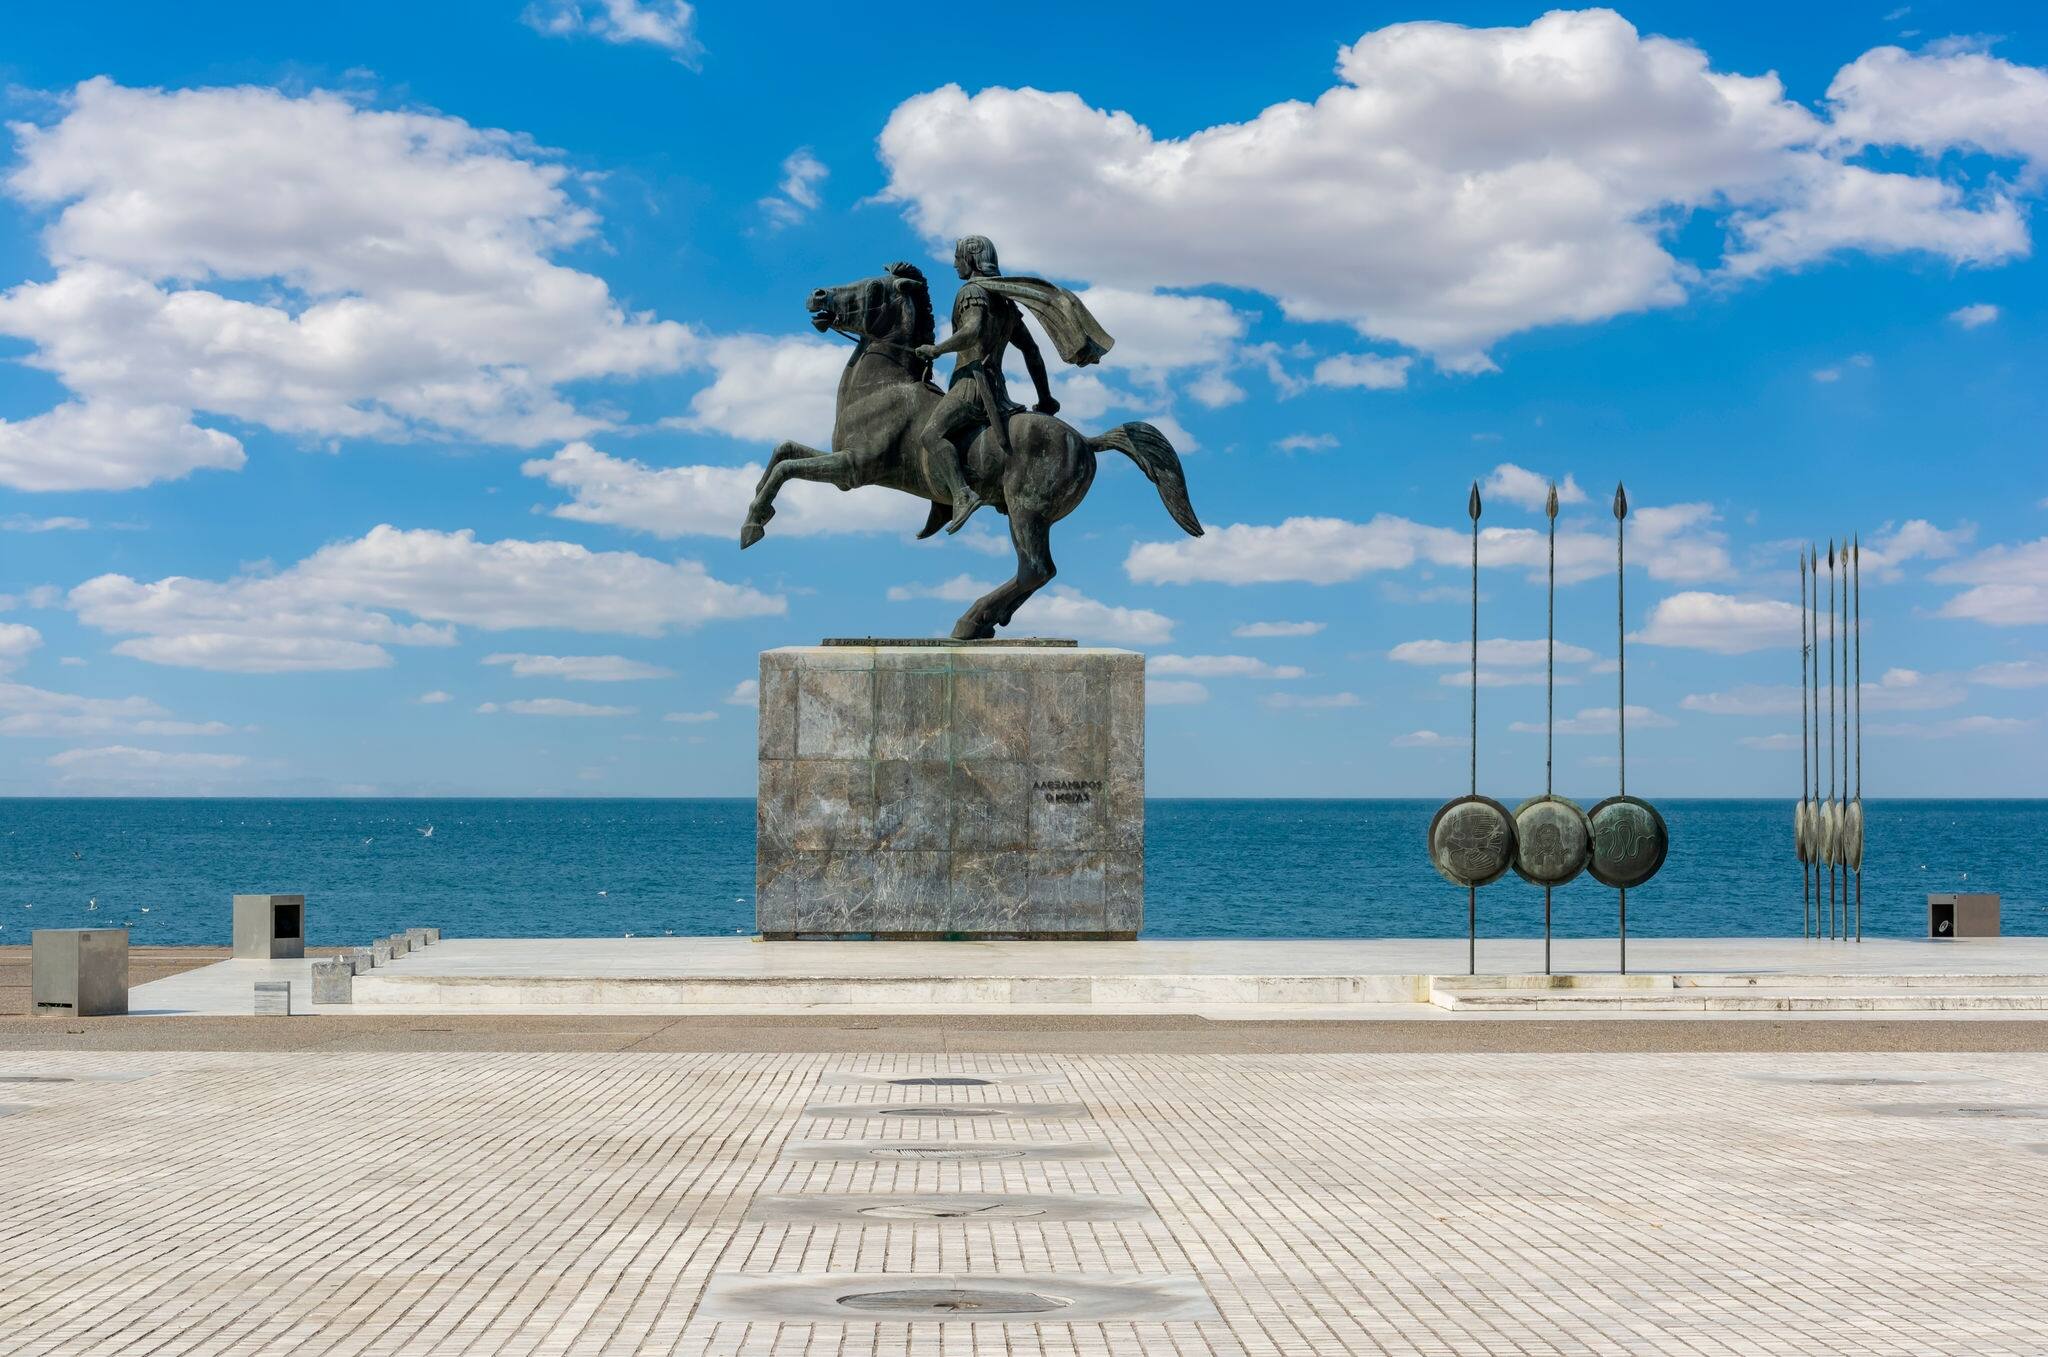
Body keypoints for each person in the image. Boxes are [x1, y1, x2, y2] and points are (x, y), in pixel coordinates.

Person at [913, 235, 1061, 534]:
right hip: (997, 388)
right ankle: (942, 501)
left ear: (970, 258)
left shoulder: (972, 292)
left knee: (930, 435)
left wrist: (937, 349)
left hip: (972, 385)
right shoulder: (1004, 301)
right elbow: (1031, 350)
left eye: (957, 258)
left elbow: (973, 330)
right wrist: (1045, 398)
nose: (954, 264)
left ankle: (962, 494)